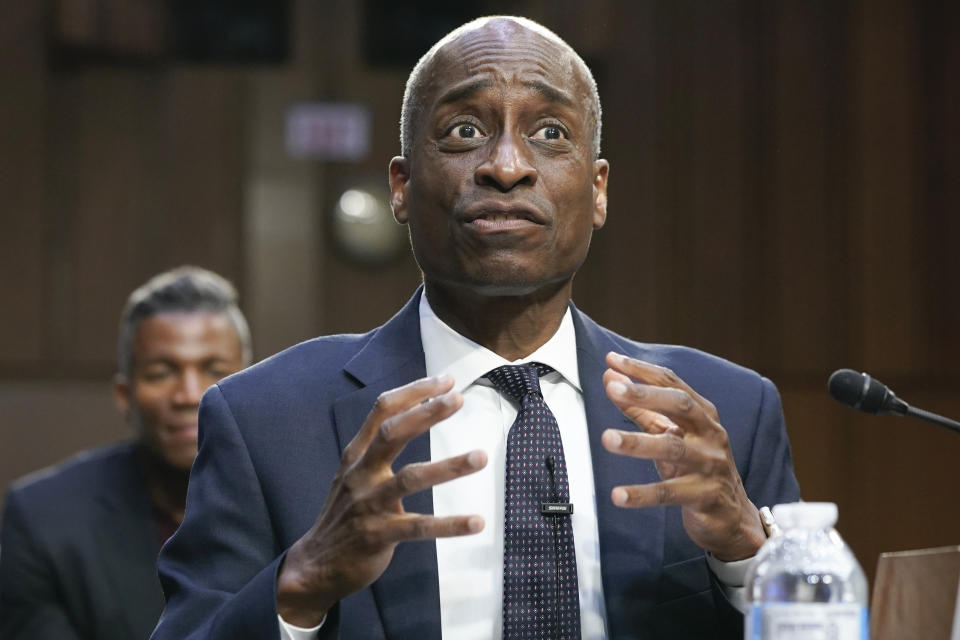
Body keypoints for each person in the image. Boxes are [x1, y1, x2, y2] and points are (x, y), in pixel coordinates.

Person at [151, 16, 799, 640]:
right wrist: (301, 583)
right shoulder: (264, 421)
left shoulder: (730, 415)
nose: (507, 166)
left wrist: (746, 557)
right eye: (464, 131)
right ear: (401, 187)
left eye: (549, 133)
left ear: (598, 190)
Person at [0, 266, 251, 640]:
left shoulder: (307, 507)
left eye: (213, 370)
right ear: (124, 396)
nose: (189, 395)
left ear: (253, 387)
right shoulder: (43, 520)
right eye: (161, 373)